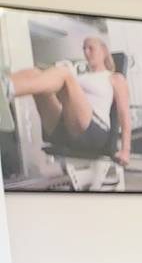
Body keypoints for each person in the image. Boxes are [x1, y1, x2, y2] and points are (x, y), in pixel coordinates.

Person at [0, 35, 131, 168]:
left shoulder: (115, 78)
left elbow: (124, 114)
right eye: (84, 49)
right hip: (67, 127)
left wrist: (125, 150)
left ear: (103, 51)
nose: (86, 52)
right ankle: (5, 82)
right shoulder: (80, 76)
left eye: (91, 48)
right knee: (35, 72)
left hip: (95, 131)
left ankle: (7, 88)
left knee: (65, 73)